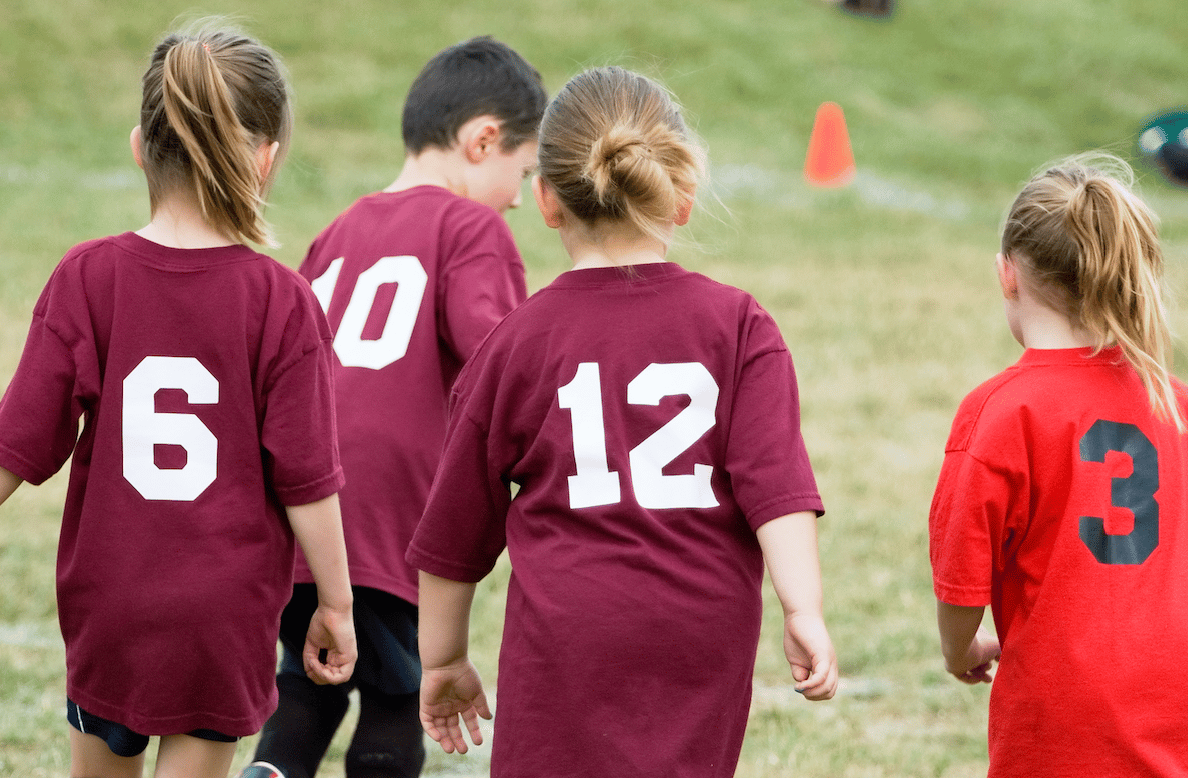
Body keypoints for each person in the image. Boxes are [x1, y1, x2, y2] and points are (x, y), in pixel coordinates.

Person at [406, 66, 838, 777]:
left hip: (568, 633)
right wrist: (804, 608)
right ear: (684, 197)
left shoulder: (516, 341)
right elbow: (778, 492)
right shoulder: (739, 325)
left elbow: (454, 534)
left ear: (546, 200)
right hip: (701, 630)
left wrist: (443, 657)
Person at [0, 20, 357, 778]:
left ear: (139, 147)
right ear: (265, 161)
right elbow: (308, 480)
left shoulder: (86, 278)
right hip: (220, 618)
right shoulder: (283, 302)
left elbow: (16, 449)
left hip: (108, 606)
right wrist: (337, 603)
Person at [239, 36, 546, 778]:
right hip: (391, 516)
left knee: (311, 679)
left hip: (301, 508)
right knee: (400, 694)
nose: (518, 196)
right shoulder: (474, 228)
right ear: (483, 141)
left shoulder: (339, 230)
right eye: (523, 171)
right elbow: (504, 370)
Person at [929, 153, 1188, 776]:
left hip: (1065, 707)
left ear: (1008, 275)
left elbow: (962, 572)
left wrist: (958, 649)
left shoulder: (1001, 410)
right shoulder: (1175, 403)